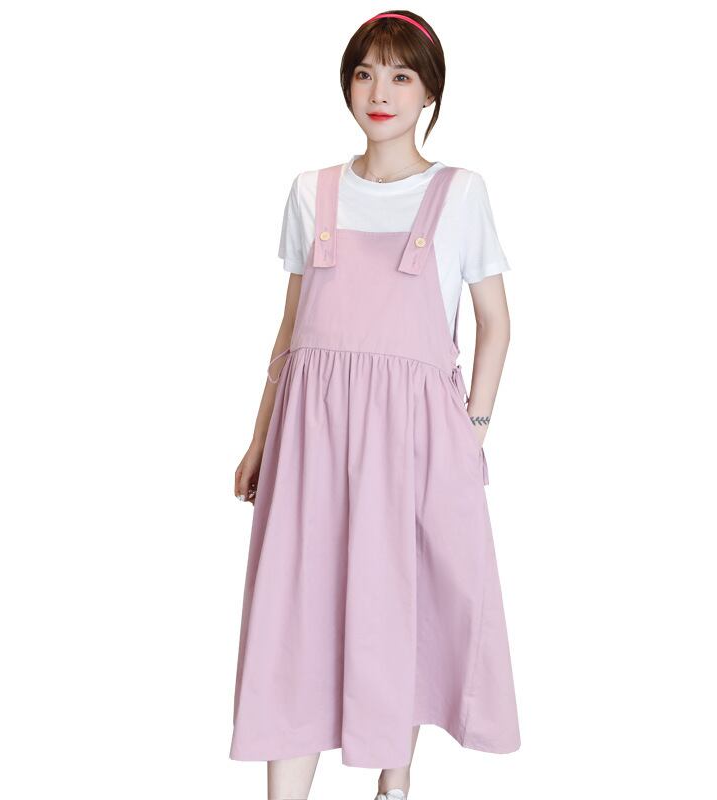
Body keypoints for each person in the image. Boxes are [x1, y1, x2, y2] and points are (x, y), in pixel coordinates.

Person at [229, 11, 520, 800]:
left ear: (430, 93)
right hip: (311, 437)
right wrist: (259, 439)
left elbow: (495, 324)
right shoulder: (310, 191)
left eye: (400, 75)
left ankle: (395, 780)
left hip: (417, 439)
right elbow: (292, 328)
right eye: (364, 74)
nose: (380, 92)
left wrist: (472, 432)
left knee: (403, 599)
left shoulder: (460, 193)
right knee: (296, 606)